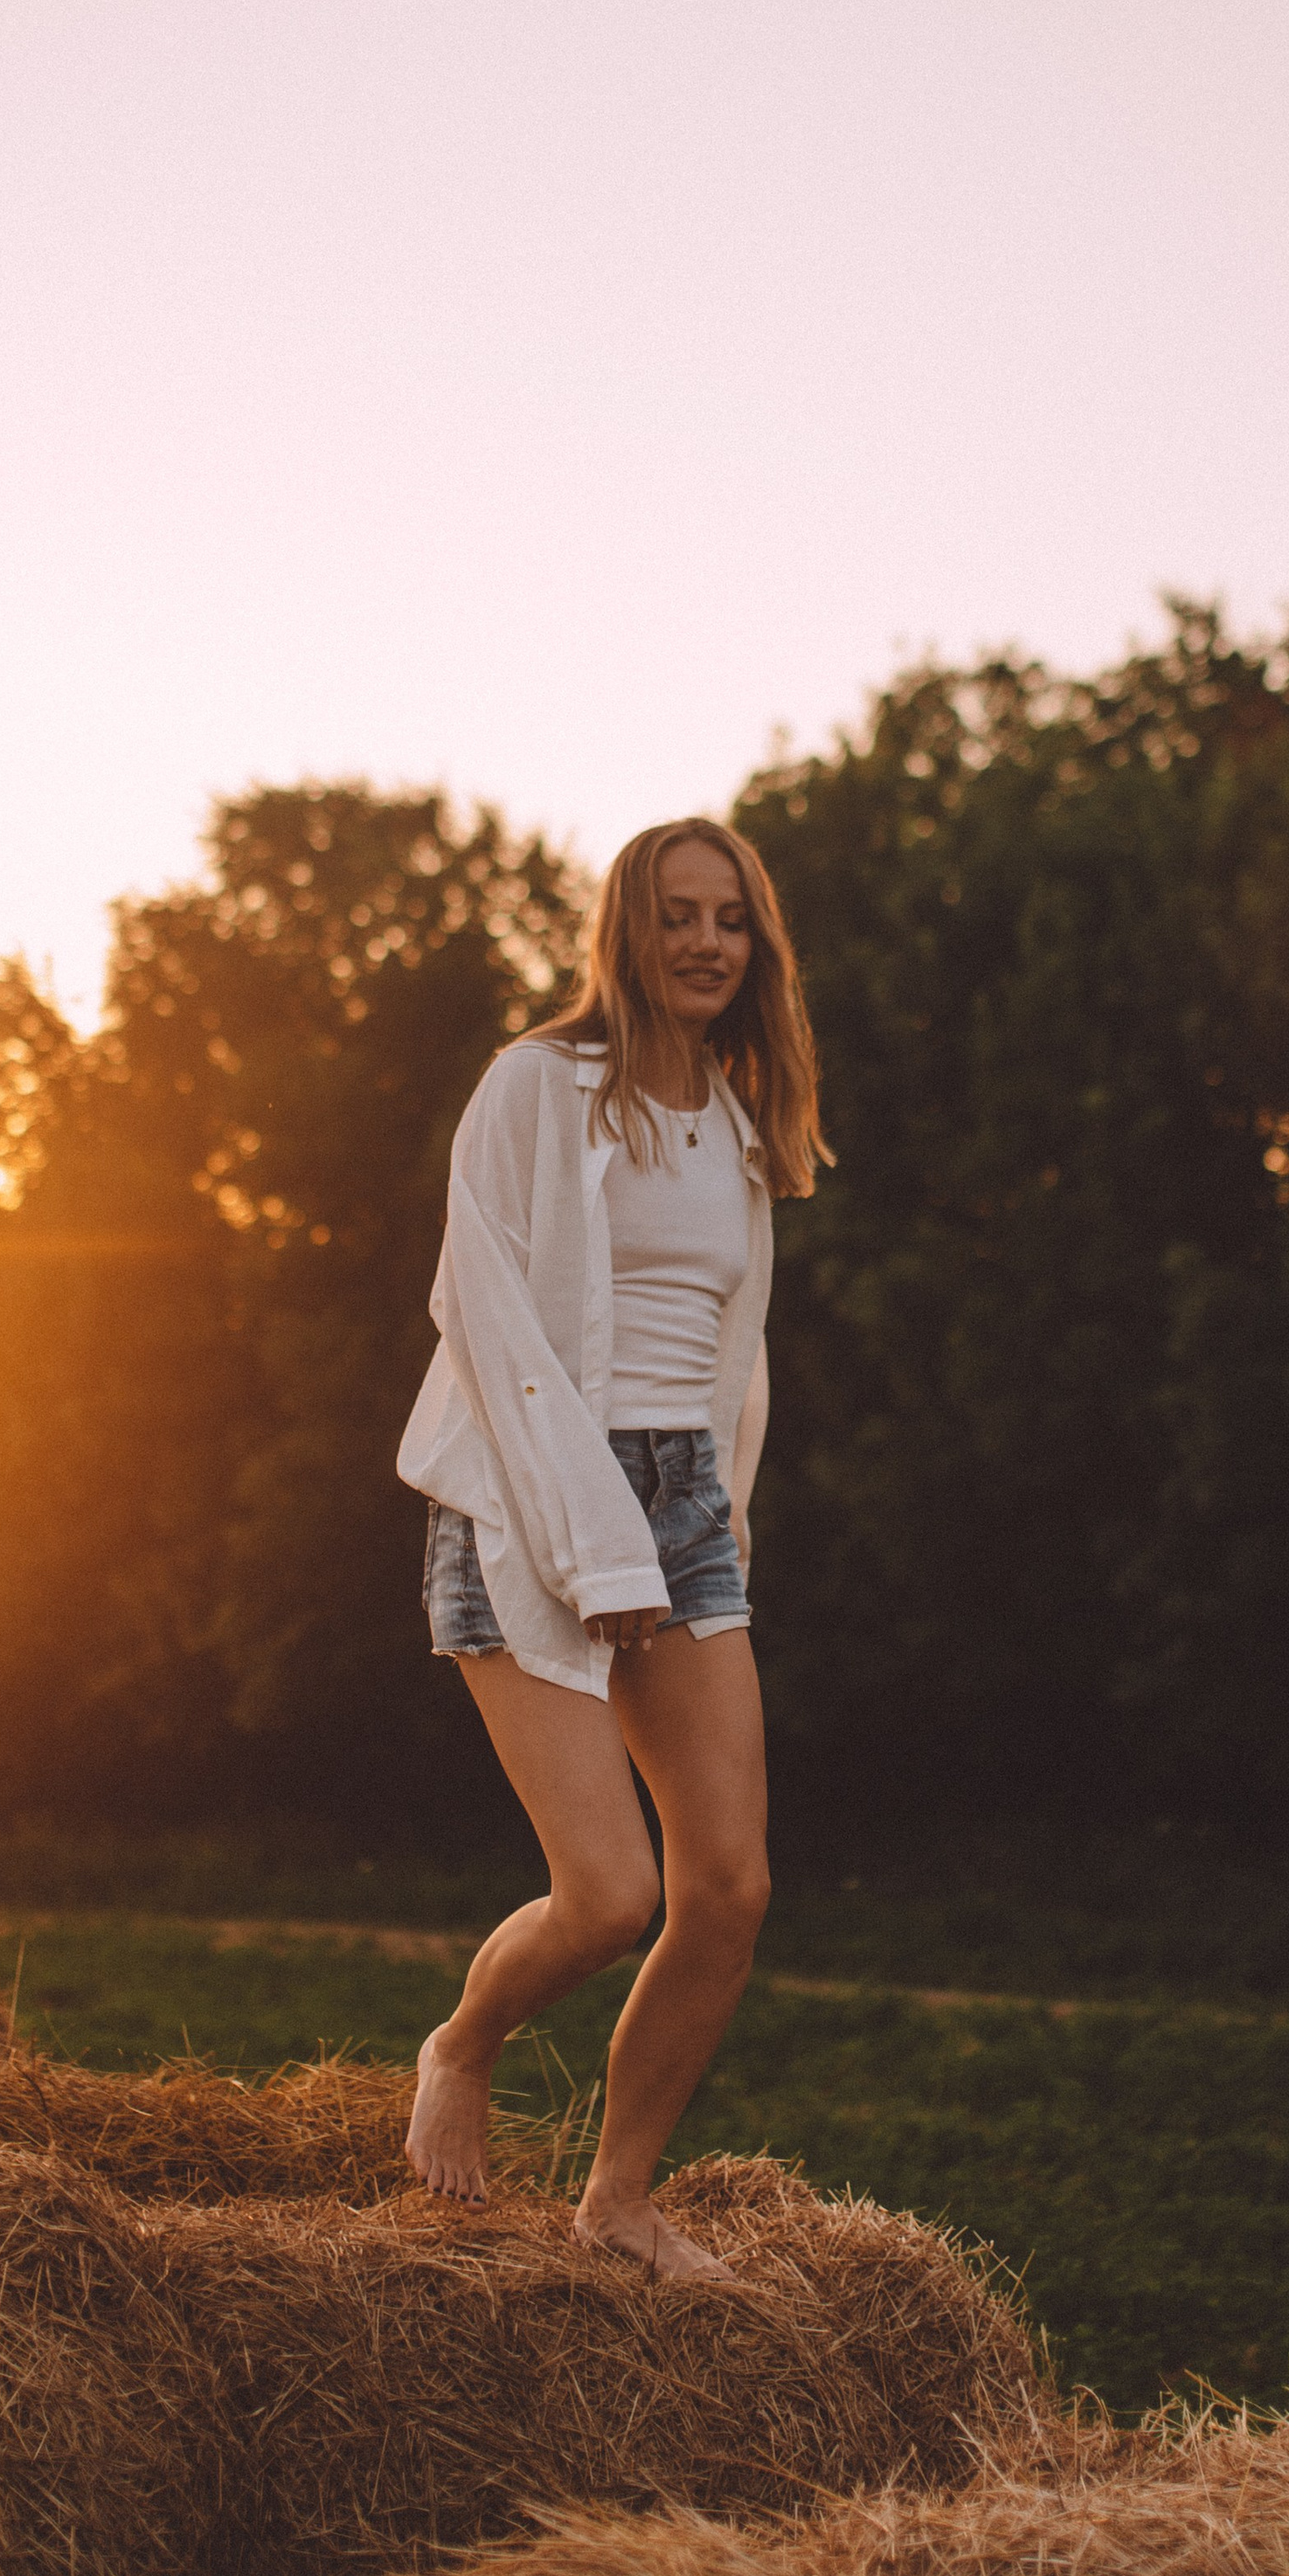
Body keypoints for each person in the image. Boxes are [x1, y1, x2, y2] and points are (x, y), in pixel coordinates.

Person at [397, 816, 829, 2279]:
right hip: (526, 1494)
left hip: (684, 1501)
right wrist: (606, 1552)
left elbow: (731, 1361)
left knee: (731, 1886)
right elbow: (491, 1316)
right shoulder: (536, 1085)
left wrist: (702, 1534)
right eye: (678, 915)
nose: (707, 942)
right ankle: (461, 2045)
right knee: (610, 1896)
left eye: (731, 919)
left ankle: (620, 2199)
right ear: (626, 933)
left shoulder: (739, 1121)